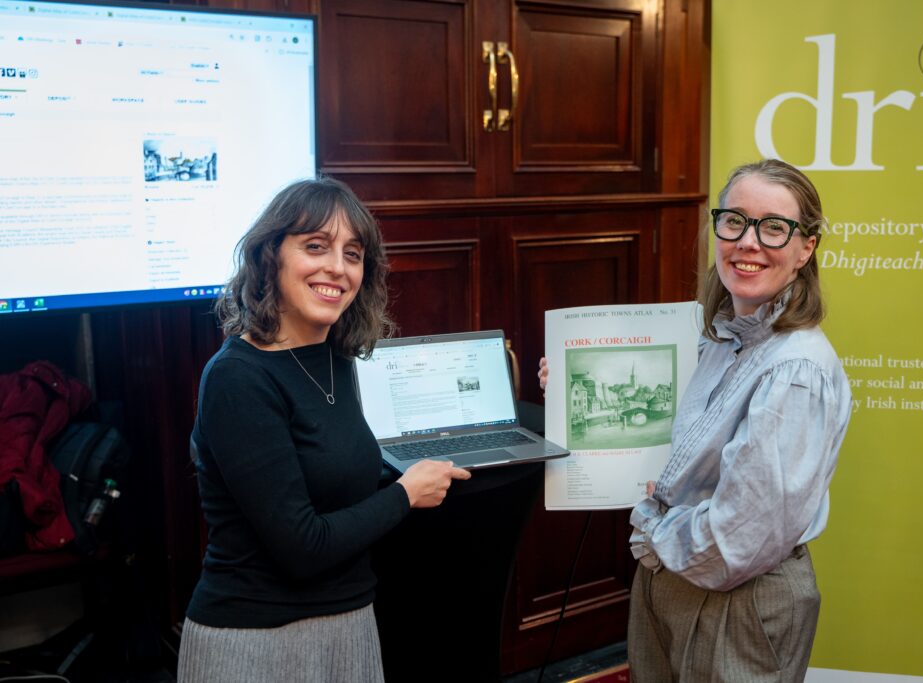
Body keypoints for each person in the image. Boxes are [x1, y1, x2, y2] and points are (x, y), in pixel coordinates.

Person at [539, 159, 851, 681]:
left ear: (806, 249)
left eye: (774, 227)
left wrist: (652, 526)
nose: (748, 242)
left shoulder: (794, 369)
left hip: (736, 599)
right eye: (734, 221)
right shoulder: (721, 338)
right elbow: (681, 440)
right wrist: (570, 393)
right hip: (673, 578)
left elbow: (737, 544)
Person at [178, 177, 470, 683]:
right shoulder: (236, 379)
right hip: (257, 642)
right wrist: (405, 493)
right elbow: (302, 548)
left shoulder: (336, 356)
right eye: (316, 246)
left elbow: (336, 478)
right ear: (271, 256)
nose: (337, 267)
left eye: (352, 254)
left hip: (349, 624)